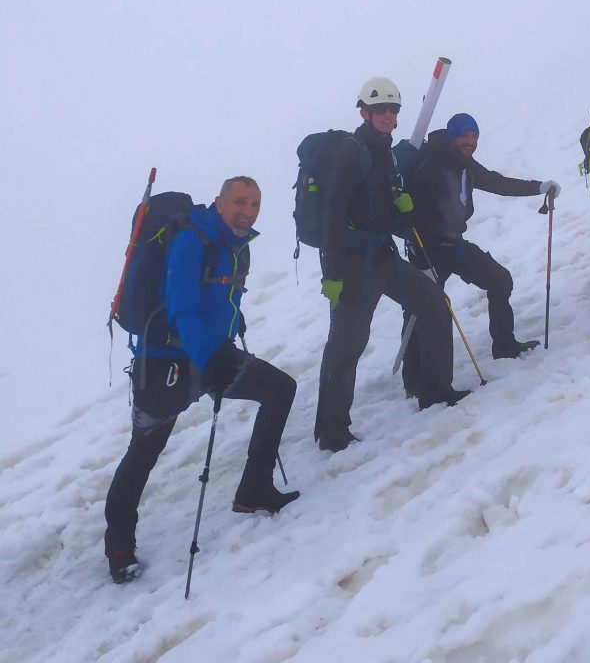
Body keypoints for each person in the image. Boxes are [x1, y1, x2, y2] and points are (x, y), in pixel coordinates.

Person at [104, 177, 299, 585]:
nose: (248, 210)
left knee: (280, 389)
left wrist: (231, 321)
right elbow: (181, 310)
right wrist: (210, 361)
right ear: (219, 202)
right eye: (240, 201)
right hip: (165, 364)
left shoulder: (233, 245)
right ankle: (119, 546)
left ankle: (254, 491)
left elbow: (219, 297)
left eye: (256, 203)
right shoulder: (192, 242)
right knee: (143, 452)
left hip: (213, 356)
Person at [316, 76, 467, 453]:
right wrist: (331, 274)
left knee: (433, 304)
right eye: (380, 108)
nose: (387, 114)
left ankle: (435, 390)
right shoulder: (351, 151)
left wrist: (403, 213)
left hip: (382, 255)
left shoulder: (385, 152)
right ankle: (332, 432)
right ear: (365, 112)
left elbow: (378, 209)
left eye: (393, 109)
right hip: (352, 264)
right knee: (347, 345)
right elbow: (333, 214)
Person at [399, 113, 560, 394]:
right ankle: (413, 381)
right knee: (420, 310)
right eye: (464, 136)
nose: (470, 142)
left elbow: (497, 183)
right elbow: (413, 211)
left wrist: (538, 188)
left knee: (499, 280)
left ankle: (504, 345)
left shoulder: (465, 165)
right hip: (427, 249)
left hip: (453, 244)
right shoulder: (432, 165)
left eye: (474, 137)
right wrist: (418, 245)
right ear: (452, 136)